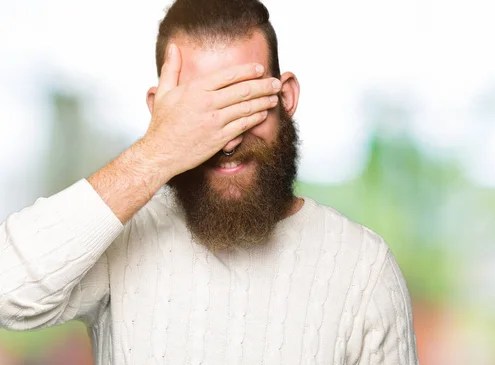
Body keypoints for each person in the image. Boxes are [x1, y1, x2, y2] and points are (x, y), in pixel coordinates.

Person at [0, 0, 419, 364]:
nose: (228, 138)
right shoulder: (123, 237)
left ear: (285, 97)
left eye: (244, 102)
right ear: (161, 112)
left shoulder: (362, 269)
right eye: (202, 112)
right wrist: (157, 150)